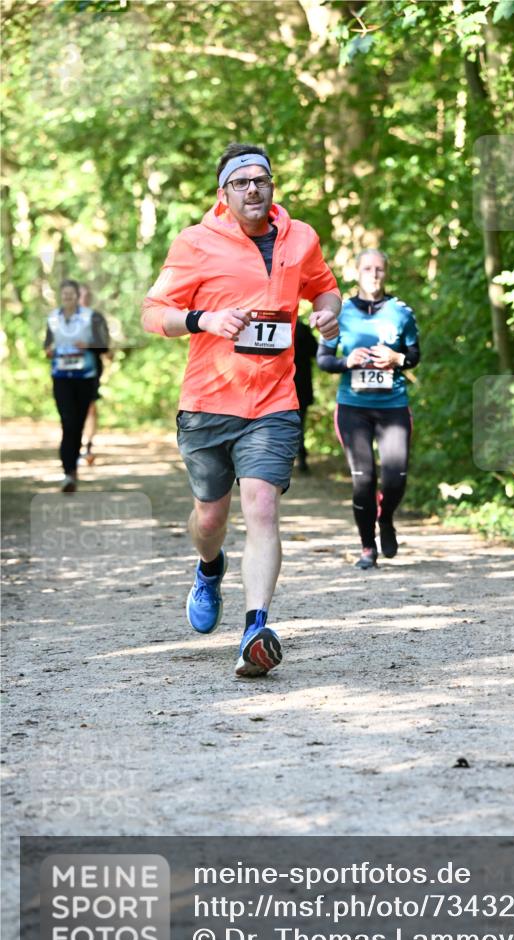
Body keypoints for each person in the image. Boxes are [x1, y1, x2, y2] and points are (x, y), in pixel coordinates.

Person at [141, 143, 340, 676]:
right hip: (208, 403)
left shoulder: (301, 238)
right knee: (211, 518)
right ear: (223, 193)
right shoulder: (195, 243)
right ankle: (209, 567)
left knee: (263, 508)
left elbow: (325, 289)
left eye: (262, 180)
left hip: (274, 402)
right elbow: (153, 313)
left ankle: (256, 629)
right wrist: (203, 319)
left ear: (273, 186)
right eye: (241, 182)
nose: (253, 189)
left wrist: (328, 315)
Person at [317, 250, 420, 568]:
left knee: (395, 478)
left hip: (393, 407)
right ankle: (366, 547)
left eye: (379, 269)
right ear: (356, 272)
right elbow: (324, 359)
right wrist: (347, 361)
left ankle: (385, 518)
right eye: (367, 269)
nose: (373, 274)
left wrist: (397, 358)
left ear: (386, 273)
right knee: (363, 479)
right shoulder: (341, 313)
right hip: (353, 408)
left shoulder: (401, 312)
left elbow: (414, 355)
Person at [44, 279, 109, 492]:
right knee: (68, 422)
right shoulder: (53, 318)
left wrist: (88, 345)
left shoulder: (92, 317)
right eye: (65, 295)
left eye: (72, 294)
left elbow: (104, 346)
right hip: (61, 377)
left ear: (77, 296)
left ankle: (72, 470)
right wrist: (49, 351)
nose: (68, 298)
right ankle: (68, 472)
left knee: (78, 424)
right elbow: (47, 344)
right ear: (60, 296)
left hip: (85, 378)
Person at [78, 283, 110, 465]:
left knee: (90, 407)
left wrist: (87, 345)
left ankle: (88, 446)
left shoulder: (96, 318)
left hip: (91, 370)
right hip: (66, 372)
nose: (84, 299)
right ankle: (73, 445)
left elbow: (104, 346)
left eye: (87, 295)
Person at [293, 318, 318, 472]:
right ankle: (301, 458)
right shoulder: (303, 329)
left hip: (286, 386)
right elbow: (315, 351)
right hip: (301, 387)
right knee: (299, 424)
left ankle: (299, 457)